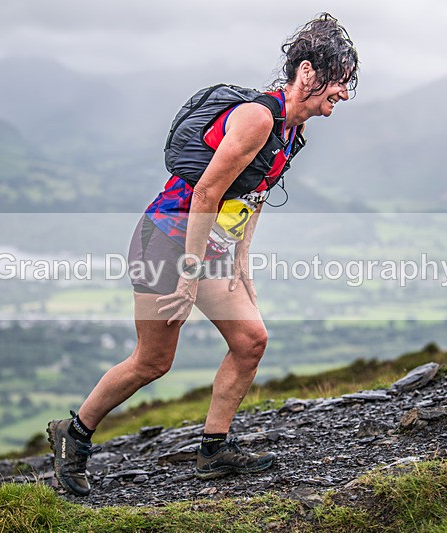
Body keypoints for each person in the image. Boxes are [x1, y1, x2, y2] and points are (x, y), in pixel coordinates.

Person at [47, 13, 359, 496]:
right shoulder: (258, 117)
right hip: (166, 239)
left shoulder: (291, 134)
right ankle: (75, 435)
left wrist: (239, 263)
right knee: (152, 361)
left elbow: (253, 198)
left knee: (251, 340)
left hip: (206, 246)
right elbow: (207, 193)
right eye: (337, 79)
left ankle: (215, 450)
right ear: (306, 73)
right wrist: (189, 275)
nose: (342, 92)